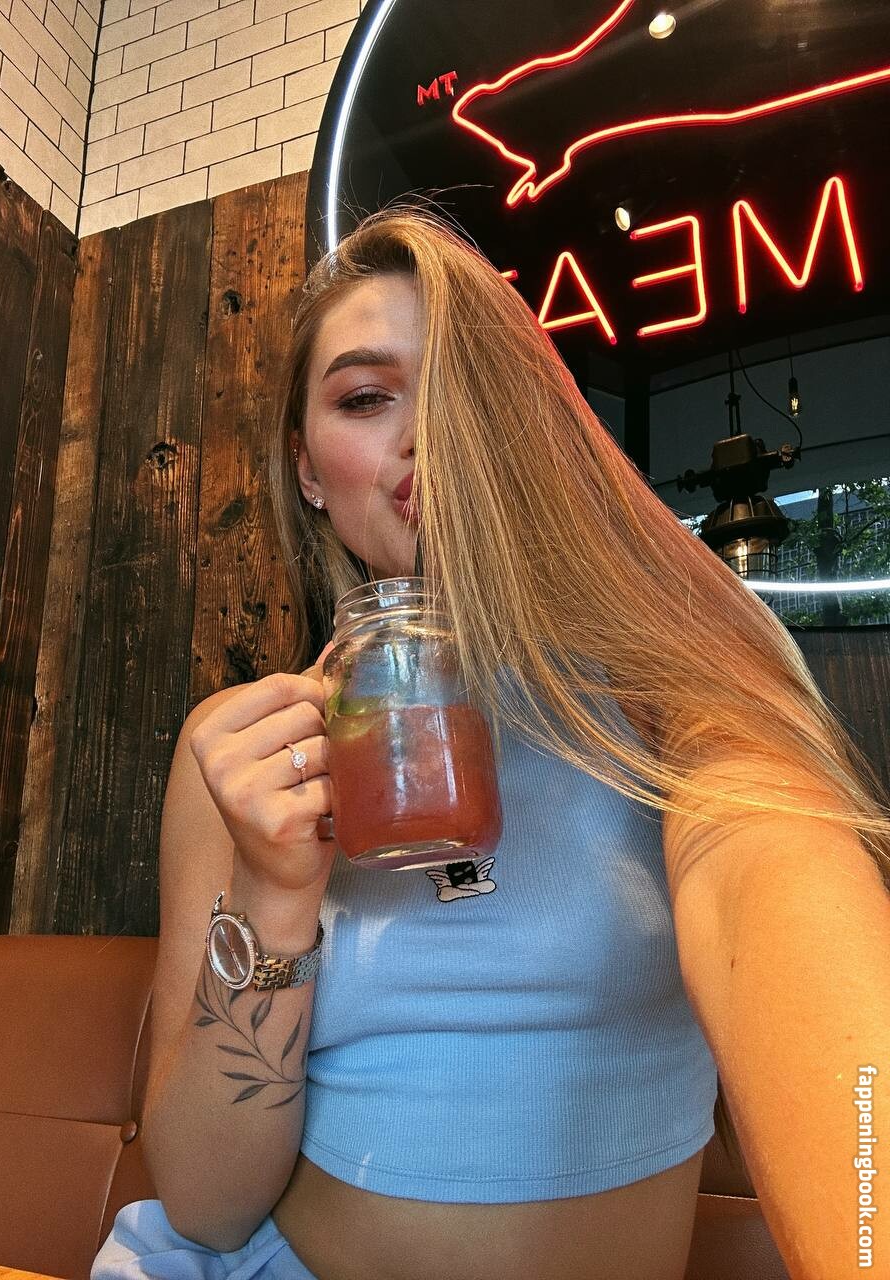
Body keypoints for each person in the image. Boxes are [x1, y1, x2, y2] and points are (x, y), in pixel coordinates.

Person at [92, 204, 890, 1280]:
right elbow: (205, 1203)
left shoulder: (668, 682)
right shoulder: (248, 755)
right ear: (309, 469)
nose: (425, 434)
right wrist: (274, 892)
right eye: (365, 398)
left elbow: (774, 888)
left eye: (468, 390)